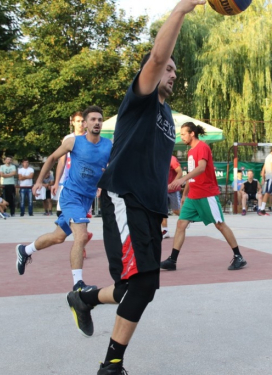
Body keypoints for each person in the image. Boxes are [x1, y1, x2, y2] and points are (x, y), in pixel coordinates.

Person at [65, 5, 207, 373]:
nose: (172, 74)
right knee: (141, 287)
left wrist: (169, 193)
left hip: (150, 208)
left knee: (138, 288)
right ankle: (111, 366)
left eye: (176, 71)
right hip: (123, 199)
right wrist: (182, 8)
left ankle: (85, 298)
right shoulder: (140, 100)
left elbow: (155, 165)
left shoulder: (168, 119)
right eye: (168, 69)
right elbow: (159, 55)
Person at [15, 105, 112, 294]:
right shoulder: (73, 142)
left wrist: (106, 178)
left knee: (58, 237)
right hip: (71, 196)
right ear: (84, 123)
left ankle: (25, 251)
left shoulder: (108, 145)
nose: (97, 123)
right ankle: (78, 285)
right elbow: (52, 158)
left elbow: (113, 169)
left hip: (87, 199)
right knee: (81, 236)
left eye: (99, 119)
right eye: (92, 119)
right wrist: (39, 182)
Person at [161, 122, 246, 271]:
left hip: (206, 194)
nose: (181, 137)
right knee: (181, 224)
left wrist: (181, 179)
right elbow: (191, 175)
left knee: (219, 224)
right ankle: (172, 260)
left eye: (183, 134)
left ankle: (238, 256)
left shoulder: (202, 147)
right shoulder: (190, 151)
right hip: (193, 195)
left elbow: (201, 168)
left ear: (192, 133)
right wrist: (185, 194)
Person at [53, 111, 86, 217]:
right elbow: (62, 161)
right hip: (67, 180)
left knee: (81, 215)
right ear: (73, 123)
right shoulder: (68, 138)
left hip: (83, 181)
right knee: (61, 213)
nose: (80, 124)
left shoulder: (90, 138)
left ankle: (81, 232)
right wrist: (56, 182)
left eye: (82, 121)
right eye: (78, 121)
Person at [162, 155, 183, 239]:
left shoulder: (172, 159)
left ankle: (185, 219)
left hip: (173, 190)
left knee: (176, 210)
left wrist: (173, 184)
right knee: (162, 211)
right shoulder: (156, 158)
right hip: (162, 190)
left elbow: (180, 172)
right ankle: (165, 230)